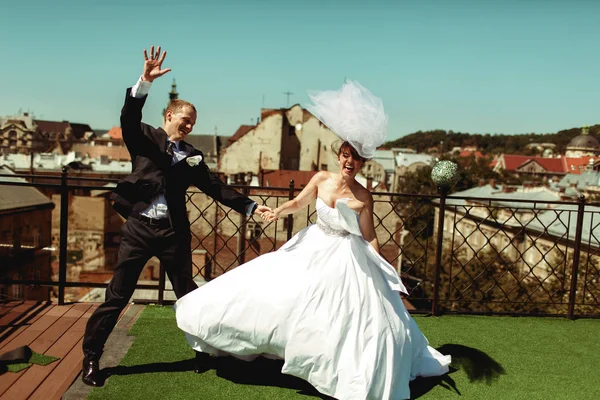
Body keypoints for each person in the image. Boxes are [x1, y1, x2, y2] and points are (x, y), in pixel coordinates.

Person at [174, 80, 451, 399]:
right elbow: (299, 203)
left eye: (355, 159)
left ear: (361, 163)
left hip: (347, 256)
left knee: (340, 315)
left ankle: (327, 365)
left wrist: (383, 269)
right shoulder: (321, 179)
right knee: (273, 290)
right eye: (346, 156)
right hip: (313, 244)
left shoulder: (364, 195)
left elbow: (370, 235)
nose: (349, 162)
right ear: (340, 156)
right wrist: (277, 213)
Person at [81, 46, 271, 387]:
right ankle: (92, 357)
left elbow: (215, 187)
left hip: (173, 234)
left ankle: (203, 350)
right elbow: (127, 117)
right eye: (186, 120)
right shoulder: (145, 139)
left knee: (189, 294)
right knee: (118, 295)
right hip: (138, 229)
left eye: (193, 123)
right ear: (169, 116)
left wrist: (251, 207)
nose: (189, 126)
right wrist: (144, 82)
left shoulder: (193, 155)